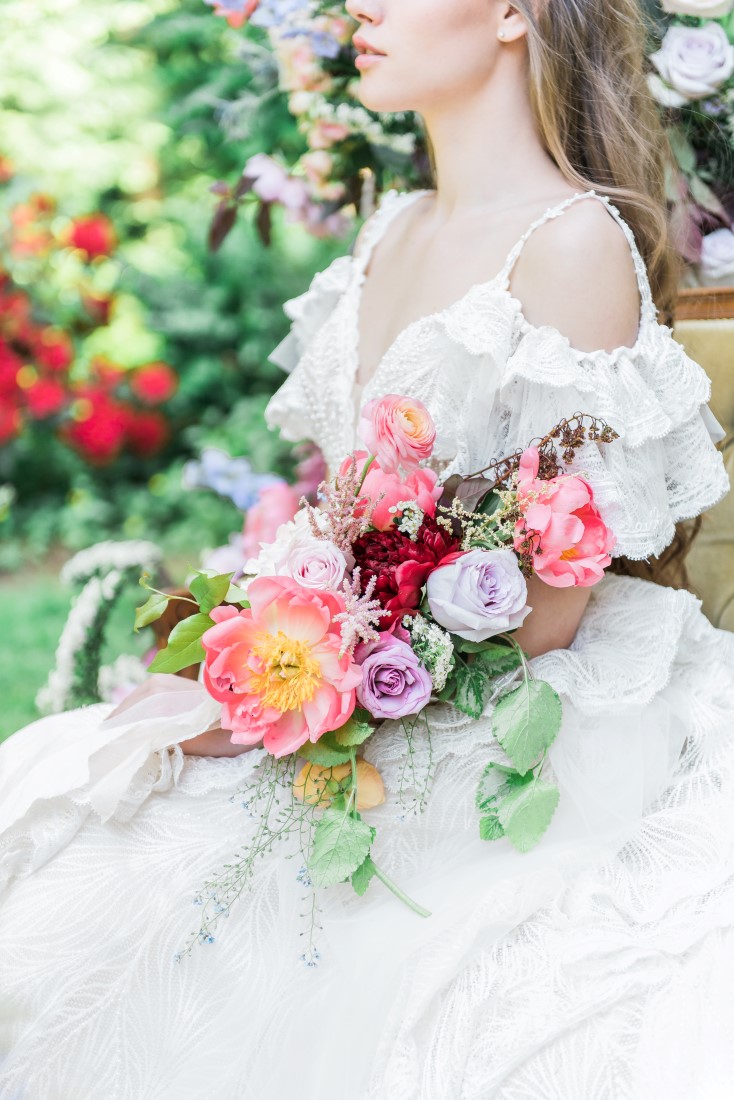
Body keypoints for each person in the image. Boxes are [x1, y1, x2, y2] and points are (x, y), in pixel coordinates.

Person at [1, 0, 733, 1096]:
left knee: (176, 905)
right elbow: (345, 517)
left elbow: (547, 609)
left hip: (505, 701)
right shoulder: (392, 225)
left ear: (511, 13)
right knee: (72, 806)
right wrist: (250, 654)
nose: (360, 7)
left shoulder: (571, 243)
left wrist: (305, 690)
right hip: (362, 667)